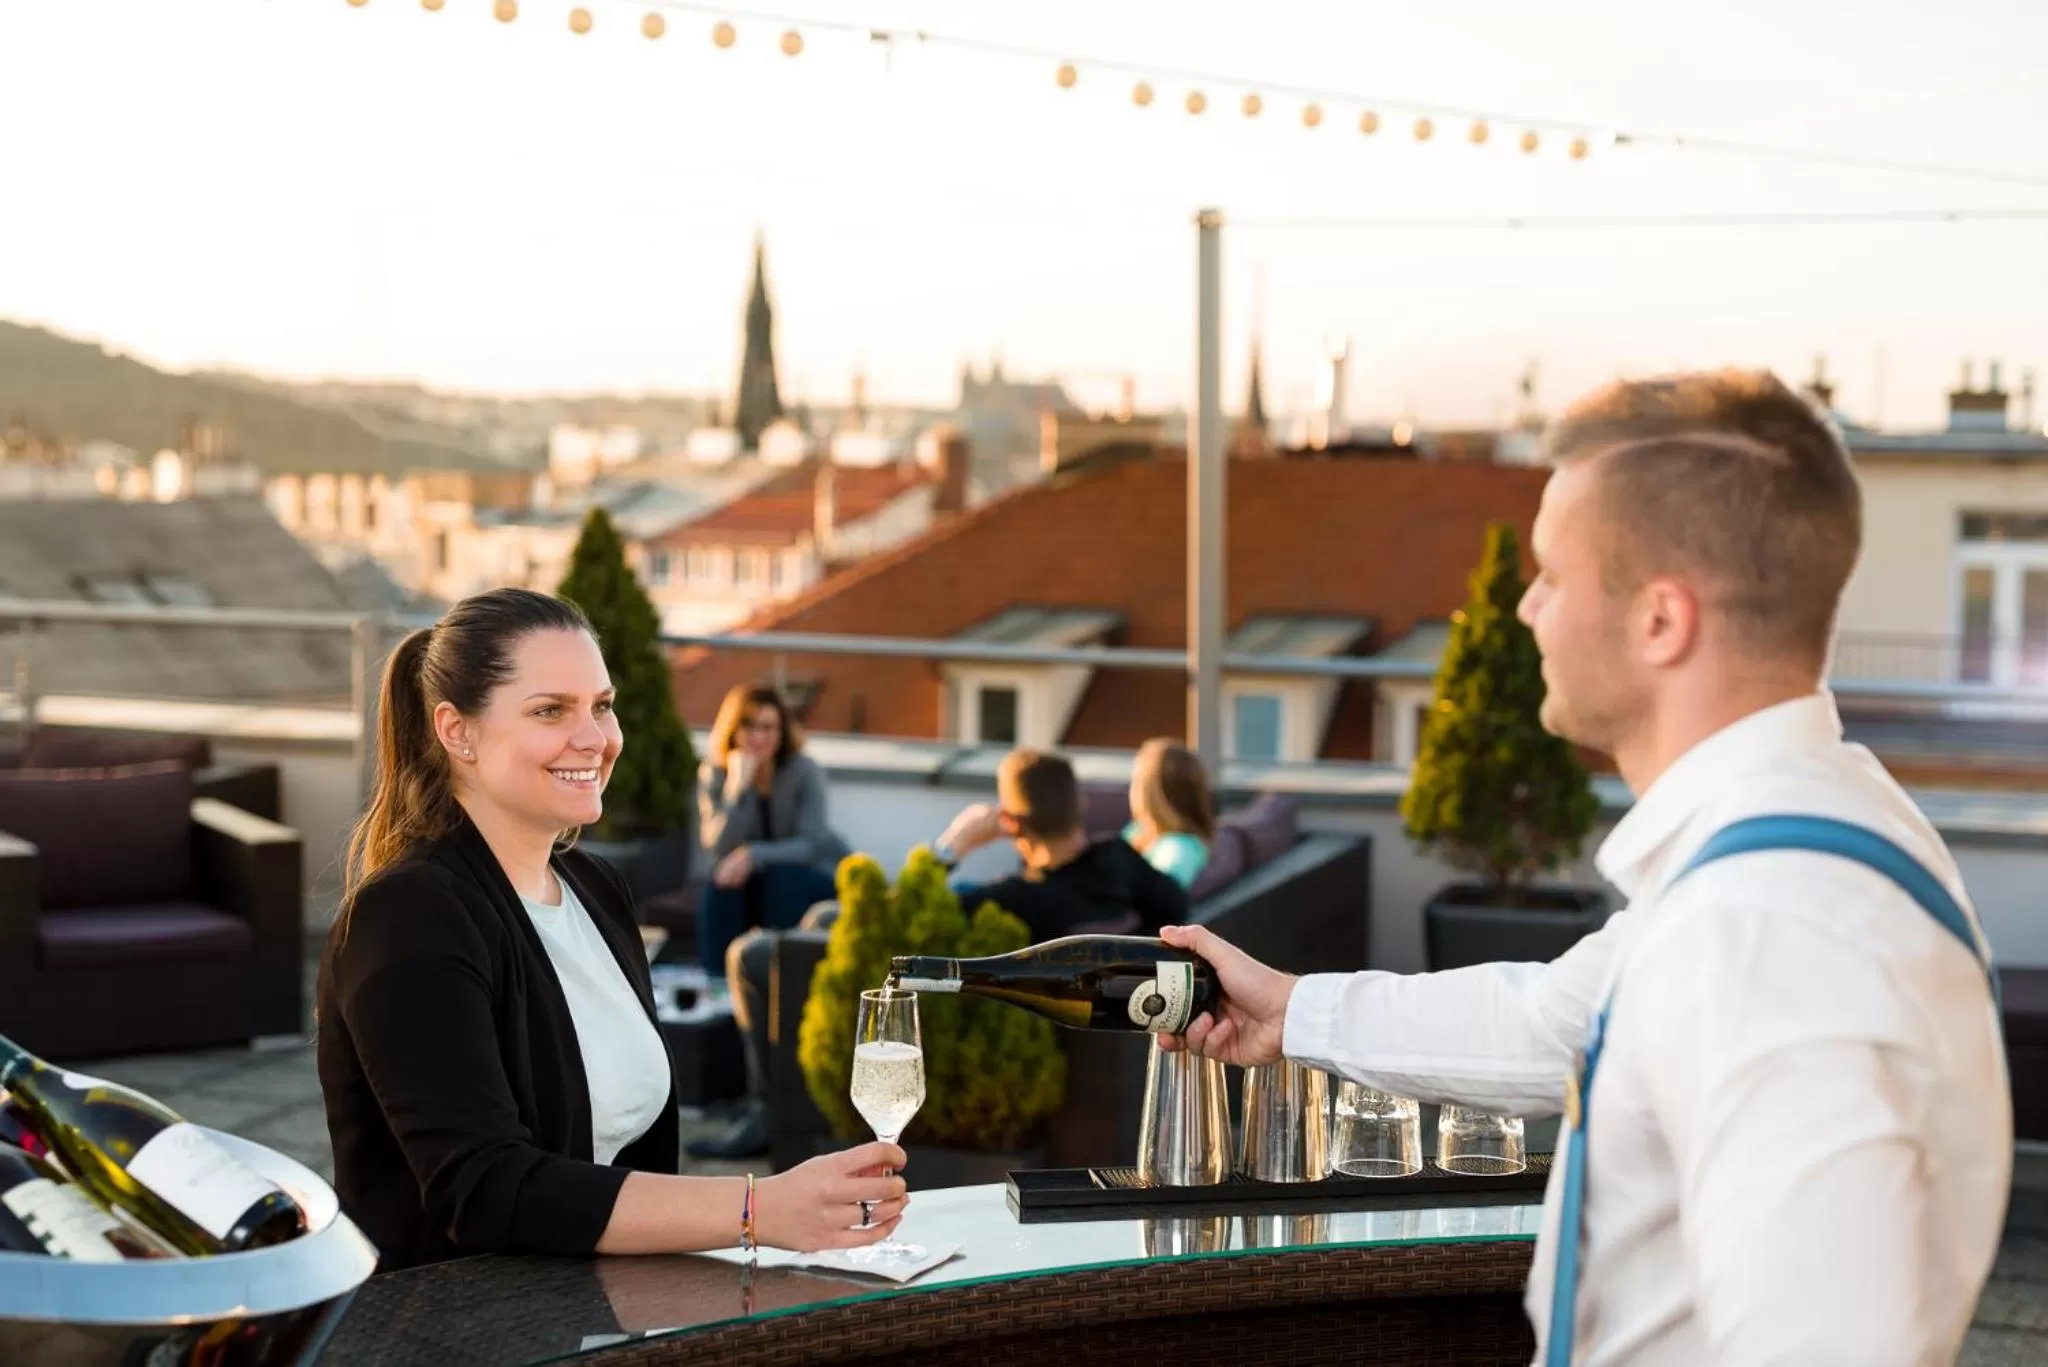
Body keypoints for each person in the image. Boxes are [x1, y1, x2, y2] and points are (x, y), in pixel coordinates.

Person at [1162, 371, 2010, 1365]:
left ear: (1660, 619)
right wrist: (1290, 1012)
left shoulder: (1766, 934)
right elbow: (1552, 1020)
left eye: (1552, 574)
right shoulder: (1796, 842)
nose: (1523, 609)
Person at [316, 587, 905, 1272]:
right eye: (550, 710)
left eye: (601, 704)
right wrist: (757, 1210)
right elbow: (482, 1190)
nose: (596, 738)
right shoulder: (409, 915)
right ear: (457, 731)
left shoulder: (595, 890)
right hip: (455, 1327)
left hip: (592, 1307)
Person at [935, 747, 1188, 939]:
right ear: (1081, 803)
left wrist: (957, 841)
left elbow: (910, 912)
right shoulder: (1121, 859)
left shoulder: (1014, 900)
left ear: (1010, 823)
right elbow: (1177, 910)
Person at [696, 683, 848, 977]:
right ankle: (719, 984)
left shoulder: (804, 770)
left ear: (781, 732)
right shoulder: (715, 772)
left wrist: (754, 855)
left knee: (780, 883)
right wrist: (738, 789)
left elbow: (811, 844)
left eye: (768, 728)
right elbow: (716, 845)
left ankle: (784, 979)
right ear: (733, 729)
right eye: (749, 726)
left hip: (811, 875)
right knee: (720, 887)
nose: (758, 737)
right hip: (756, 883)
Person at [1122, 737, 1215, 890]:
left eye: (1135, 781)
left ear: (1149, 794)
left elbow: (1162, 896)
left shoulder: (1180, 849)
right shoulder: (1138, 832)